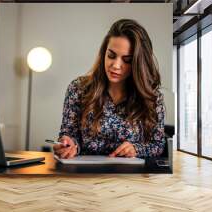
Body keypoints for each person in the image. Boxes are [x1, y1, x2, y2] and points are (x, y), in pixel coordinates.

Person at [53, 19, 165, 159]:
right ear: (103, 53)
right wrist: (68, 143)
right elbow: (69, 134)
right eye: (111, 55)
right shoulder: (78, 88)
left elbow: (158, 145)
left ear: (138, 63)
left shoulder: (152, 97)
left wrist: (136, 149)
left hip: (131, 176)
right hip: (84, 174)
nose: (116, 65)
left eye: (127, 60)